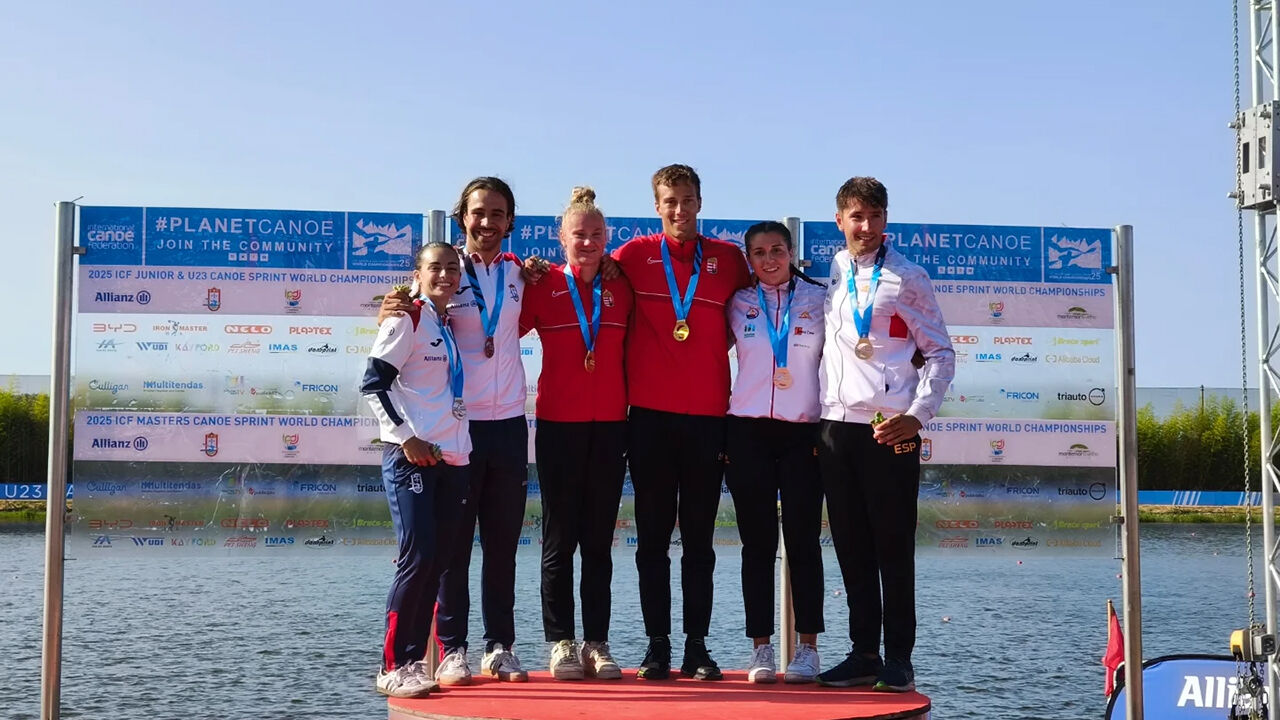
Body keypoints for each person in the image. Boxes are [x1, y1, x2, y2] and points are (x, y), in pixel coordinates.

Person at [379, 177, 530, 685]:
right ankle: (453, 649)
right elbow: (401, 321)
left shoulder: (520, 274)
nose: (487, 223)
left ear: (511, 221)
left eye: (497, 214)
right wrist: (391, 302)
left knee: (504, 544)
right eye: (478, 213)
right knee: (451, 549)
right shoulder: (440, 276)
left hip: (508, 423)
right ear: (462, 218)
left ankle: (500, 647)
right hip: (455, 431)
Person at [610, 164, 750, 681]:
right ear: (656, 205)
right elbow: (577, 275)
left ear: (700, 202)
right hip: (647, 419)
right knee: (651, 540)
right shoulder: (632, 255)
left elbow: (771, 302)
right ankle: (656, 645)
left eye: (688, 200)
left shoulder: (730, 259)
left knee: (699, 541)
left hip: (709, 418)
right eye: (670, 201)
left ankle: (697, 646)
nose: (679, 210)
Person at [815, 177, 954, 693]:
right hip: (835, 428)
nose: (866, 227)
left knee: (893, 548)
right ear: (840, 220)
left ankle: (899, 657)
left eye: (875, 216)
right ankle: (862, 653)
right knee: (850, 548)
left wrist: (917, 416)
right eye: (857, 216)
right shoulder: (828, 272)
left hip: (889, 429)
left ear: (886, 219)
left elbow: (940, 354)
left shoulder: (908, 277)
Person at [518, 187, 632, 681]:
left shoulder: (621, 285)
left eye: (596, 235)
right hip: (559, 425)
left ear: (607, 239)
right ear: (561, 239)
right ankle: (561, 642)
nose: (587, 243)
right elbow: (496, 332)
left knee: (599, 542)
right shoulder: (540, 286)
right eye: (578, 235)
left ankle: (598, 644)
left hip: (610, 425)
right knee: (559, 538)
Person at [362, 242, 471, 698]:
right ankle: (394, 664)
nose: (445, 275)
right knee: (418, 558)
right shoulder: (406, 317)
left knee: (438, 560)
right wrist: (406, 437)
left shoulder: (446, 321)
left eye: (452, 268)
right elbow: (372, 383)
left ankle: (414, 662)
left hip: (449, 457)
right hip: (411, 457)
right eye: (435, 268)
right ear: (418, 273)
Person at [724, 221, 826, 684]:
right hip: (746, 433)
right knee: (757, 546)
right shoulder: (737, 302)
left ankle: (808, 649)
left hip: (803, 433)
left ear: (791, 253)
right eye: (760, 252)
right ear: (749, 259)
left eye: (778, 250)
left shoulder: (821, 299)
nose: (770, 260)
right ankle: (761, 649)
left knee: (804, 543)